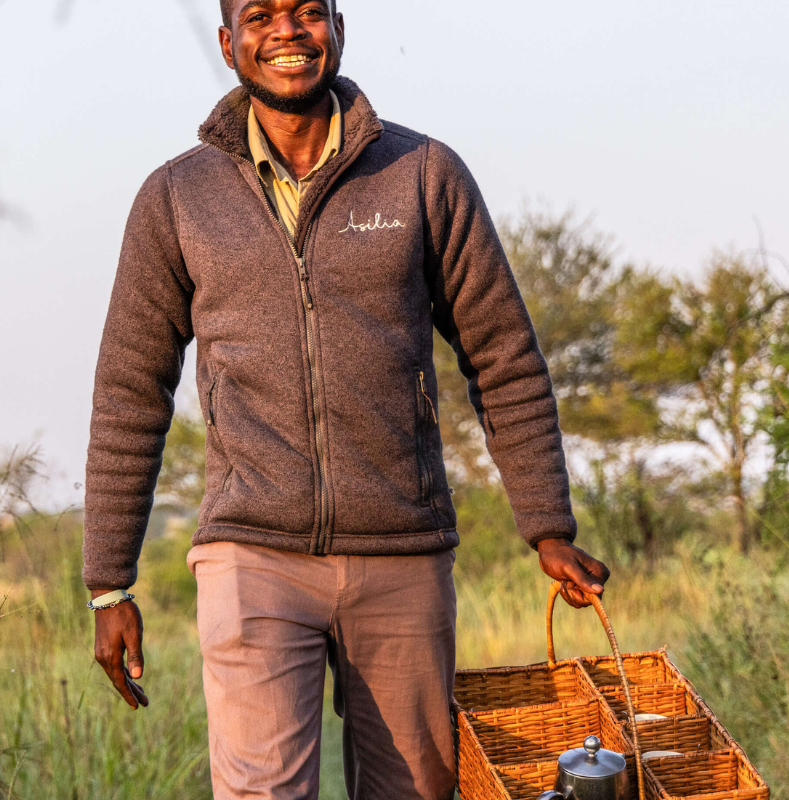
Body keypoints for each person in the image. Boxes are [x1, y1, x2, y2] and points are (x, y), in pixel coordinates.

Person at [82, 1, 611, 798]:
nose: (287, 32)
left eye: (307, 12)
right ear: (229, 44)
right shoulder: (177, 198)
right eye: (261, 14)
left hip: (402, 551)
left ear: (337, 27)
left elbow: (502, 354)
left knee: (415, 791)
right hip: (250, 551)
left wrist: (546, 525)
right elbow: (130, 388)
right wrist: (109, 583)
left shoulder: (424, 173)